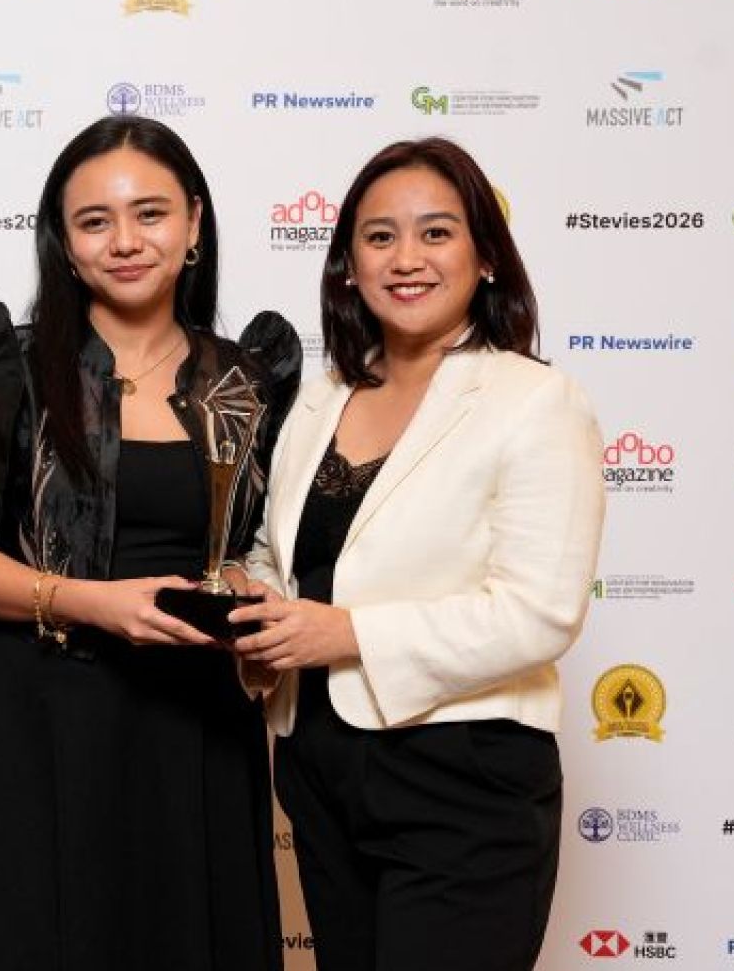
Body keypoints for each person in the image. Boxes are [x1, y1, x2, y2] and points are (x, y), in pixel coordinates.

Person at [0, 115, 298, 971]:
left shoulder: (250, 377)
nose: (125, 241)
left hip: (194, 723)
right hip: (29, 712)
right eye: (95, 221)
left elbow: (257, 545)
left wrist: (244, 583)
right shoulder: (3, 362)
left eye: (150, 214)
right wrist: (89, 603)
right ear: (64, 242)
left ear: (194, 224)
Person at [230, 138, 605, 971]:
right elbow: (277, 556)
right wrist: (249, 610)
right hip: (316, 762)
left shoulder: (535, 401)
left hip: (462, 775)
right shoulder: (321, 399)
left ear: (486, 258)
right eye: (379, 237)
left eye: (436, 233)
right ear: (347, 266)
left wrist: (347, 634)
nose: (406, 259)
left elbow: (539, 611)